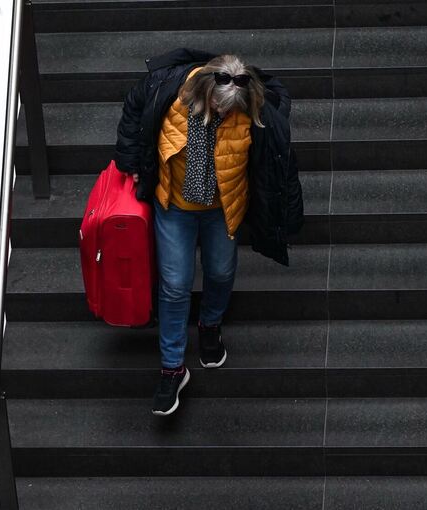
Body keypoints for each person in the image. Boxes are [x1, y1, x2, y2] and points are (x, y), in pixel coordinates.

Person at [113, 48, 304, 416]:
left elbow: (276, 154)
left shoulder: (252, 109)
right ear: (202, 90)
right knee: (174, 284)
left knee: (220, 272)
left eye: (229, 110)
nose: (222, 114)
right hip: (174, 207)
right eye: (217, 107)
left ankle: (210, 324)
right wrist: (131, 161)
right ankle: (172, 368)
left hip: (222, 208)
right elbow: (134, 109)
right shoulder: (167, 89)